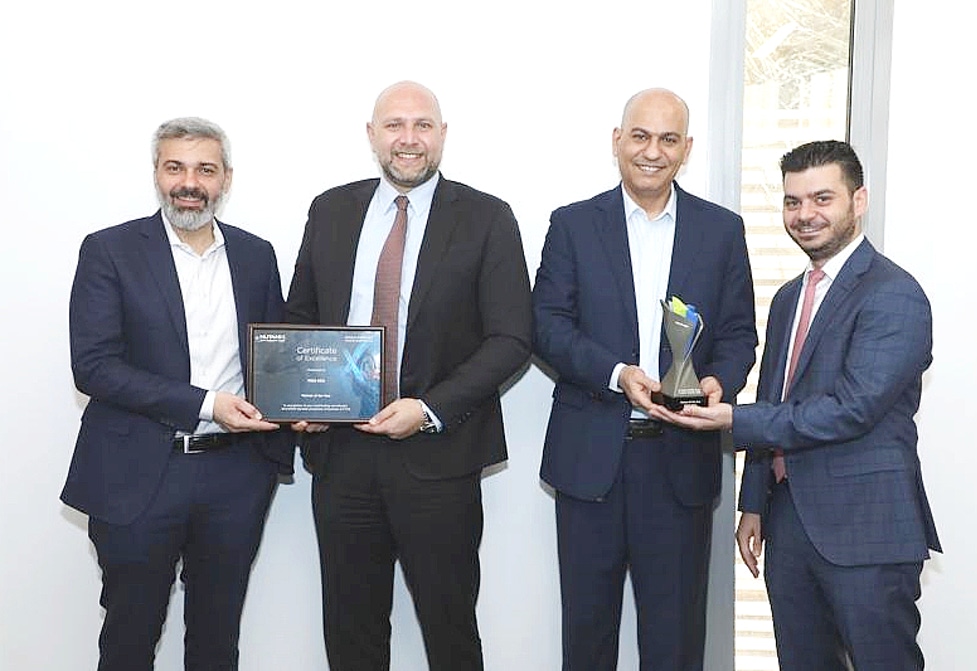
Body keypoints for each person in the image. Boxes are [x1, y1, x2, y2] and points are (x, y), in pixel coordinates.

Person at [661, 140, 941, 671]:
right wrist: (755, 504)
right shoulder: (791, 295)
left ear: (859, 201)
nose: (805, 214)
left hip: (867, 531)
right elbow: (777, 399)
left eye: (822, 198)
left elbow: (852, 408)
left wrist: (731, 420)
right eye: (793, 202)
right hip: (790, 528)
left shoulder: (893, 294)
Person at [285, 81, 532, 671]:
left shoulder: (486, 217)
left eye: (423, 125)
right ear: (371, 135)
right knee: (351, 630)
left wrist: (427, 409)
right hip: (342, 457)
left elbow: (512, 338)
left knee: (449, 631)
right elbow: (300, 317)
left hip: (438, 459)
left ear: (443, 136)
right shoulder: (331, 209)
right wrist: (300, 398)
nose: (409, 139)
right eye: (394, 125)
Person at [532, 88, 758, 671]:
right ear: (617, 141)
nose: (652, 151)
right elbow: (546, 326)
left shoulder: (722, 230)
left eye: (667, 139)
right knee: (586, 636)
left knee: (676, 642)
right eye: (640, 136)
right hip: (590, 463)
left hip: (680, 461)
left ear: (687, 148)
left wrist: (717, 382)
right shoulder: (574, 224)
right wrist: (615, 374)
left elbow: (738, 334)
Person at [62, 117, 292, 670]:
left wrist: (296, 408)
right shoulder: (109, 250)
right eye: (176, 167)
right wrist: (208, 404)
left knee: (217, 640)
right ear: (157, 175)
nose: (190, 182)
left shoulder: (256, 255)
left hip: (235, 476)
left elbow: (277, 356)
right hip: (139, 473)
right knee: (130, 636)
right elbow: (93, 367)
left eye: (205, 169)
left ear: (226, 179)